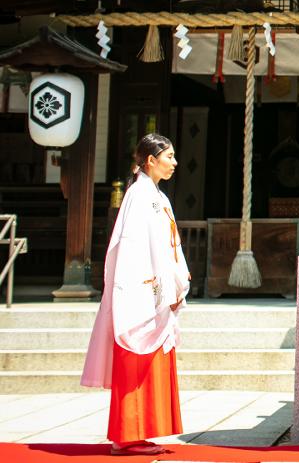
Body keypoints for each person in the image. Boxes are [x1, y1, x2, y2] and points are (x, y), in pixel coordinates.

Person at [81, 134, 188, 456]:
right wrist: (160, 284)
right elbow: (134, 248)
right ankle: (126, 435)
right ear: (150, 160)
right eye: (168, 156)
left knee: (149, 362)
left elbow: (169, 244)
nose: (174, 162)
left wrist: (178, 275)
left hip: (157, 287)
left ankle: (140, 432)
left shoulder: (155, 195)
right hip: (143, 290)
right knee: (135, 358)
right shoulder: (139, 195)